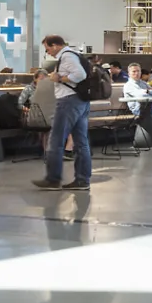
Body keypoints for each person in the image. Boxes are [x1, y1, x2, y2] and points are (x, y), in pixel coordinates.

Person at [36, 36, 94, 190]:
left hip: (68, 102)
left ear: (55, 45)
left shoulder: (67, 56)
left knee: (56, 140)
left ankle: (53, 179)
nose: (48, 52)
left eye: (48, 48)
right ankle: (82, 180)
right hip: (80, 102)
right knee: (81, 142)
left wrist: (59, 78)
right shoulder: (74, 55)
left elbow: (80, 75)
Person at [122, 64, 152, 144]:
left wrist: (147, 91)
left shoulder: (143, 83)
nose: (136, 73)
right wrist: (147, 92)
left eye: (138, 71)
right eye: (134, 71)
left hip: (150, 105)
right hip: (138, 108)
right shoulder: (128, 85)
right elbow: (141, 95)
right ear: (129, 73)